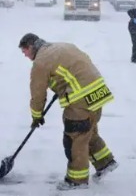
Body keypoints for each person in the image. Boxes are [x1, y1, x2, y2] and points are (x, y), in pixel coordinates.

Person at [18, 33, 118, 190]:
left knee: (75, 138)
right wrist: (63, 85)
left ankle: (76, 181)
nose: (24, 55)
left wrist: (36, 116)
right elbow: (77, 67)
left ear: (31, 46)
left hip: (80, 99)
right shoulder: (63, 46)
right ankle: (105, 163)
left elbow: (38, 94)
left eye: (24, 51)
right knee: (87, 131)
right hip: (98, 93)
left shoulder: (40, 62)